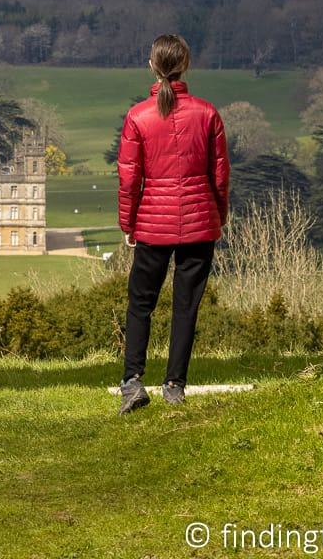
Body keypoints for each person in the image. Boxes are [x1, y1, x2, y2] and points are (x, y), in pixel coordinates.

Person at [115, 32, 229, 413]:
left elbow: (130, 178)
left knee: (140, 304)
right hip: (199, 223)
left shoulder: (138, 116)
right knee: (186, 306)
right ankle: (175, 384)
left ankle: (133, 381)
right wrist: (218, 216)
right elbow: (220, 176)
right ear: (186, 64)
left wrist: (128, 224)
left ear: (152, 65)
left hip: (152, 224)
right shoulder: (208, 113)